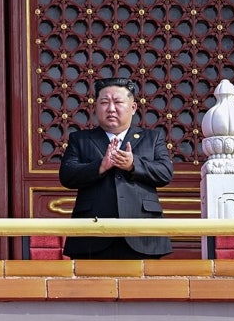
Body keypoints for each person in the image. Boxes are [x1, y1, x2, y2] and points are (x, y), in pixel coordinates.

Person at [59, 77, 173, 259]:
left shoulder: (152, 138)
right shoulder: (80, 139)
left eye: (118, 102)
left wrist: (133, 164)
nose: (111, 109)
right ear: (96, 107)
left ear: (133, 107)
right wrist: (100, 167)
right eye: (104, 102)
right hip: (93, 233)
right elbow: (67, 175)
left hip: (142, 232)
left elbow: (165, 173)